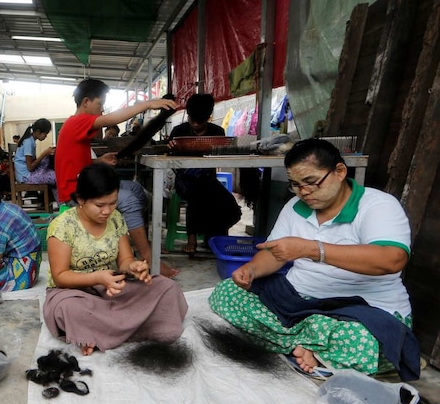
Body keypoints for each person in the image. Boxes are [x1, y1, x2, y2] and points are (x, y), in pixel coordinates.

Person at [208, 138, 419, 380]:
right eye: (295, 185)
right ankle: (313, 346)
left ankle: (304, 342)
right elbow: (274, 253)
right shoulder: (295, 206)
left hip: (363, 308)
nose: (304, 192)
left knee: (363, 342)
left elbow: (392, 260)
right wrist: (252, 270)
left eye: (311, 182)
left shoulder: (377, 206)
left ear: (339, 172)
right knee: (226, 294)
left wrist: (312, 249)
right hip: (299, 301)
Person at [44, 163, 188, 356]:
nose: (107, 211)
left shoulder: (116, 218)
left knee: (167, 288)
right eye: (100, 205)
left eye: (112, 203)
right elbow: (60, 276)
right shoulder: (62, 226)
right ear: (81, 199)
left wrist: (134, 266)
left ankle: (100, 333)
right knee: (69, 309)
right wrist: (98, 278)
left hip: (112, 287)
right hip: (73, 292)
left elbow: (124, 260)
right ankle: (124, 326)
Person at [55, 78, 181, 278]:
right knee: (129, 200)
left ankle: (133, 245)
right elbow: (111, 120)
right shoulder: (76, 122)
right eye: (100, 104)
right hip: (75, 194)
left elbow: (77, 166)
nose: (102, 111)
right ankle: (147, 256)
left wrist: (100, 161)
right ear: (86, 101)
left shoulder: (77, 128)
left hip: (83, 184)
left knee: (136, 190)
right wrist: (148, 104)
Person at [168, 93, 241, 254]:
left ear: (208, 117)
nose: (194, 124)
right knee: (197, 191)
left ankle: (214, 236)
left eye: (199, 121)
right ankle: (192, 239)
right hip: (184, 179)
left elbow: (222, 158)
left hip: (208, 180)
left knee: (232, 208)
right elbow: (170, 162)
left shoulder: (217, 132)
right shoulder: (179, 131)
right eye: (191, 119)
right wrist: (172, 149)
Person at [13, 118, 57, 198]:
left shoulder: (31, 141)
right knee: (56, 177)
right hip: (25, 177)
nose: (46, 136)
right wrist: (44, 154)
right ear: (37, 131)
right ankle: (58, 202)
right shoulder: (28, 142)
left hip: (27, 174)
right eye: (45, 133)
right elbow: (30, 167)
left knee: (50, 165)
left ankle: (51, 200)